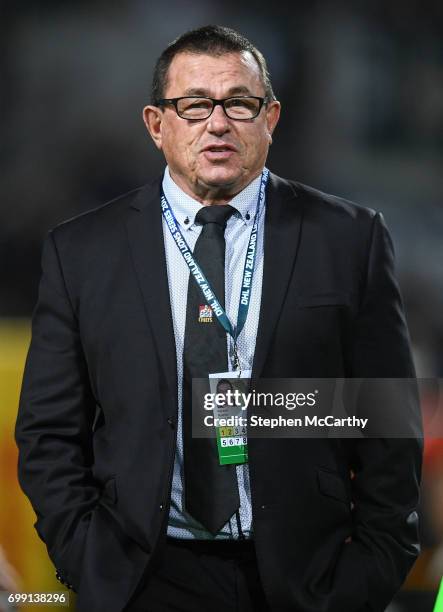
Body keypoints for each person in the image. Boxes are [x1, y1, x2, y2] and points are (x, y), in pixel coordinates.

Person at [15, 25, 422, 612]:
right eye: (195, 105)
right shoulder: (81, 252)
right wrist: (88, 557)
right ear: (157, 125)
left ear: (270, 118)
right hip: (142, 580)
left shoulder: (348, 239)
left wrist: (370, 569)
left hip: (308, 581)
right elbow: (49, 432)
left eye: (239, 102)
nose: (218, 122)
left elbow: (387, 419)